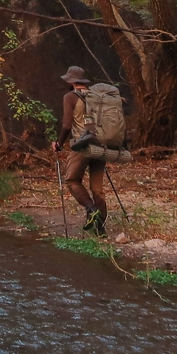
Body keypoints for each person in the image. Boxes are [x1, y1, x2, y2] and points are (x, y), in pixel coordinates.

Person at [51, 66, 107, 236]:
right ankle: (101, 230)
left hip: (82, 145)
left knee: (72, 180)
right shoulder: (96, 96)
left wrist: (59, 143)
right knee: (97, 189)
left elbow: (67, 125)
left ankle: (91, 210)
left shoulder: (70, 97)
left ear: (71, 81)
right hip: (101, 144)